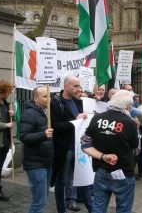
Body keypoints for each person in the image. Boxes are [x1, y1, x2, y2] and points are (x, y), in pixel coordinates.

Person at [81, 90, 138, 213]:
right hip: (124, 173)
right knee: (124, 209)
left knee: (98, 207)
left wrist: (102, 156)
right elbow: (135, 150)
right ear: (128, 106)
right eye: (132, 105)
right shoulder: (130, 123)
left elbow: (85, 143)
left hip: (102, 171)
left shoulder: (97, 118)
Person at [51, 75, 92, 213]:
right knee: (62, 179)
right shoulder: (56, 103)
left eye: (79, 86)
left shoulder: (79, 102)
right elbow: (55, 126)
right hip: (65, 148)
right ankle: (62, 208)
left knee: (83, 177)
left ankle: (90, 207)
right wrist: (75, 120)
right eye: (75, 86)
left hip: (79, 148)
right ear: (66, 86)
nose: (78, 89)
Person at [20, 86, 54, 213]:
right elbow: (24, 136)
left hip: (46, 162)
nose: (48, 99)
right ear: (35, 98)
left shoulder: (45, 112)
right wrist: (44, 135)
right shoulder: (29, 114)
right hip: (35, 163)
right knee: (39, 201)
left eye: (49, 96)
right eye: (45, 96)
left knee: (43, 198)